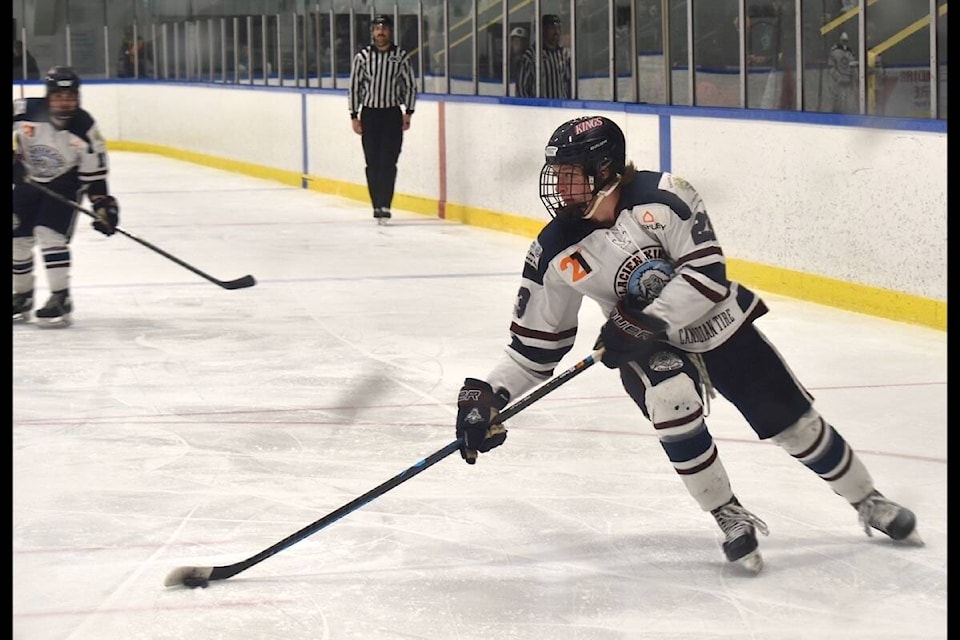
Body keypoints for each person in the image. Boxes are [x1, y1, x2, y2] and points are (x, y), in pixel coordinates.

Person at [453, 115, 921, 573]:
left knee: (794, 426)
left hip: (715, 324)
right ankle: (728, 514)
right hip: (644, 345)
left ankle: (868, 499)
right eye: (557, 175)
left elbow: (707, 276)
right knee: (670, 397)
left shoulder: (666, 197)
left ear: (605, 169)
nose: (559, 188)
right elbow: (533, 351)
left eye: (571, 176)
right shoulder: (555, 250)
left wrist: (643, 320)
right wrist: (489, 394)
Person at [13, 66, 120, 327]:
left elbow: (95, 178)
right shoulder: (24, 110)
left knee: (49, 234)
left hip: (66, 183)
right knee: (16, 236)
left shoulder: (85, 130)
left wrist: (102, 205)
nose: (65, 103)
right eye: (59, 97)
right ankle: (22, 296)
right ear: (49, 96)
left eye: (70, 97)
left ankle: (61, 297)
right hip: (27, 178)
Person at [347, 14, 418, 225]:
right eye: (377, 28)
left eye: (384, 28)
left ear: (390, 31)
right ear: (372, 32)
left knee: (389, 161)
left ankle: (385, 204)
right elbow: (354, 87)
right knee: (373, 162)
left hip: (391, 114)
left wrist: (409, 112)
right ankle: (376, 204)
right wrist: (354, 115)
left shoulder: (400, 56)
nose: (381, 32)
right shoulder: (363, 57)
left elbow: (410, 85)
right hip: (370, 114)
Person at [516, 14, 572, 99]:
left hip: (561, 109)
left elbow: (569, 84)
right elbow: (521, 90)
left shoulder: (564, 54)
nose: (557, 32)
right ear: (543, 30)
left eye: (558, 28)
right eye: (552, 28)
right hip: (540, 110)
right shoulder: (530, 56)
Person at [828, 31, 858, 114]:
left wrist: (855, 79)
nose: (844, 42)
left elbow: (853, 67)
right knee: (838, 104)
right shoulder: (834, 52)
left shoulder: (850, 52)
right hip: (839, 83)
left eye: (846, 41)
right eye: (843, 40)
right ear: (840, 40)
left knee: (848, 105)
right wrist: (837, 77)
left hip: (848, 83)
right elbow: (831, 67)